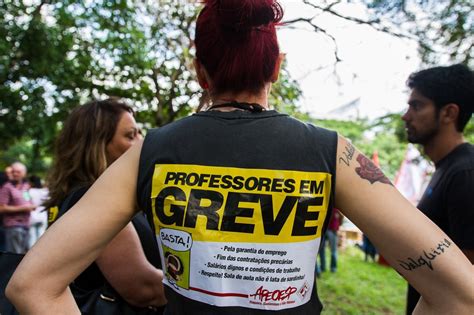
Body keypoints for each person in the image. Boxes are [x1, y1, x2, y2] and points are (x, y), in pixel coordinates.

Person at [7, 1, 474, 314]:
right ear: (275, 65)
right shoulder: (329, 151)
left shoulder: (152, 151)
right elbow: (459, 292)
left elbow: (32, 286)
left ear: (198, 69)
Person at [36, 99, 167, 312]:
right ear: (97, 144)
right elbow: (142, 287)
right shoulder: (95, 201)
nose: (141, 142)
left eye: (139, 133)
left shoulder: (76, 195)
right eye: (130, 135)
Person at [402, 64, 474, 314]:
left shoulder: (465, 174)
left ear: (449, 113)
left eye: (417, 106)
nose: (406, 115)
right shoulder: (447, 168)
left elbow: (466, 278)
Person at [0, 162, 35, 254]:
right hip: (13, 226)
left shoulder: (25, 186)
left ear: (24, 173)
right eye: (13, 172)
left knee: (24, 255)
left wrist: (32, 206)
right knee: (14, 256)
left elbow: (28, 201)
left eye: (18, 172)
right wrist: (24, 208)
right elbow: (1, 208)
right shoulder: (6, 187)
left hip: (26, 225)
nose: (15, 174)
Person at [317, 208, 343, 274]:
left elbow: (341, 217)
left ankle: (333, 268)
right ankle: (323, 267)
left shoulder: (337, 208)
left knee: (333, 250)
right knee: (321, 250)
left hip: (332, 230)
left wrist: (337, 226)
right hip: (324, 229)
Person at [27, 175, 49, 248]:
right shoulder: (45, 191)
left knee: (32, 236)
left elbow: (25, 200)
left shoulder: (29, 191)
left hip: (32, 215)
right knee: (42, 234)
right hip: (43, 214)